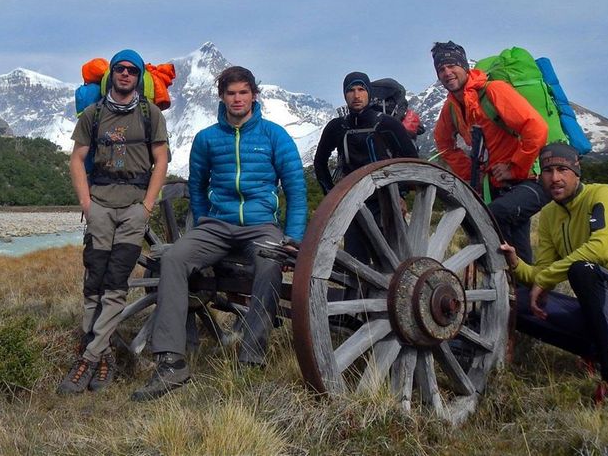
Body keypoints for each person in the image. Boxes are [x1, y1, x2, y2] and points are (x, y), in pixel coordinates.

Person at [131, 65, 307, 401]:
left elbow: (296, 191)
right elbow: (197, 188)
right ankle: (171, 362)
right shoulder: (207, 139)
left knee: (269, 265)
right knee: (174, 259)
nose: (237, 99)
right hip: (216, 225)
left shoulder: (274, 136)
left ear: (254, 95)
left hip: (260, 225)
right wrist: (205, 224)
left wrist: (293, 239)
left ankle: (251, 356)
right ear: (222, 97)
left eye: (243, 92)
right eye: (231, 93)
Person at [501, 143, 608, 404]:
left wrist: (545, 277)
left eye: (562, 169)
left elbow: (603, 247)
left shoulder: (602, 194)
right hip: (595, 308)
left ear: (577, 172)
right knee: (516, 302)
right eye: (548, 171)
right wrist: (517, 264)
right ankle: (601, 349)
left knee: (583, 269)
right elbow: (542, 272)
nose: (555, 178)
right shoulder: (550, 214)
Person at [57, 48, 169, 395]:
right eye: (119, 69)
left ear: (139, 77)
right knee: (95, 279)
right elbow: (77, 159)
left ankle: (88, 358)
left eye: (131, 70)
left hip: (134, 206)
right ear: (111, 75)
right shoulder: (93, 114)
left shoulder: (151, 115)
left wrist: (147, 205)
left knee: (117, 280)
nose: (125, 74)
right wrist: (87, 204)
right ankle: (103, 355)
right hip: (101, 205)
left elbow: (161, 160)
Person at [432, 41, 549, 263]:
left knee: (490, 218)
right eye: (441, 69)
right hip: (494, 187)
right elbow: (443, 142)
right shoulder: (451, 108)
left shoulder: (494, 90)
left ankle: (518, 289)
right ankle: (522, 292)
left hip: (528, 181)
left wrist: (514, 167)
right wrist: (471, 173)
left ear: (465, 66)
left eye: (452, 65)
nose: (447, 72)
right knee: (513, 251)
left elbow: (536, 128)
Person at [313, 72, 419, 264]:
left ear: (369, 93)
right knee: (356, 264)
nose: (356, 95)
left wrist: (401, 195)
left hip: (386, 201)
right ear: (345, 95)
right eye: (351, 90)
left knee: (398, 260)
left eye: (361, 89)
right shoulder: (336, 127)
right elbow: (319, 162)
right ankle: (360, 294)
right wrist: (332, 195)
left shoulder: (386, 124)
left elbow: (411, 161)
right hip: (352, 203)